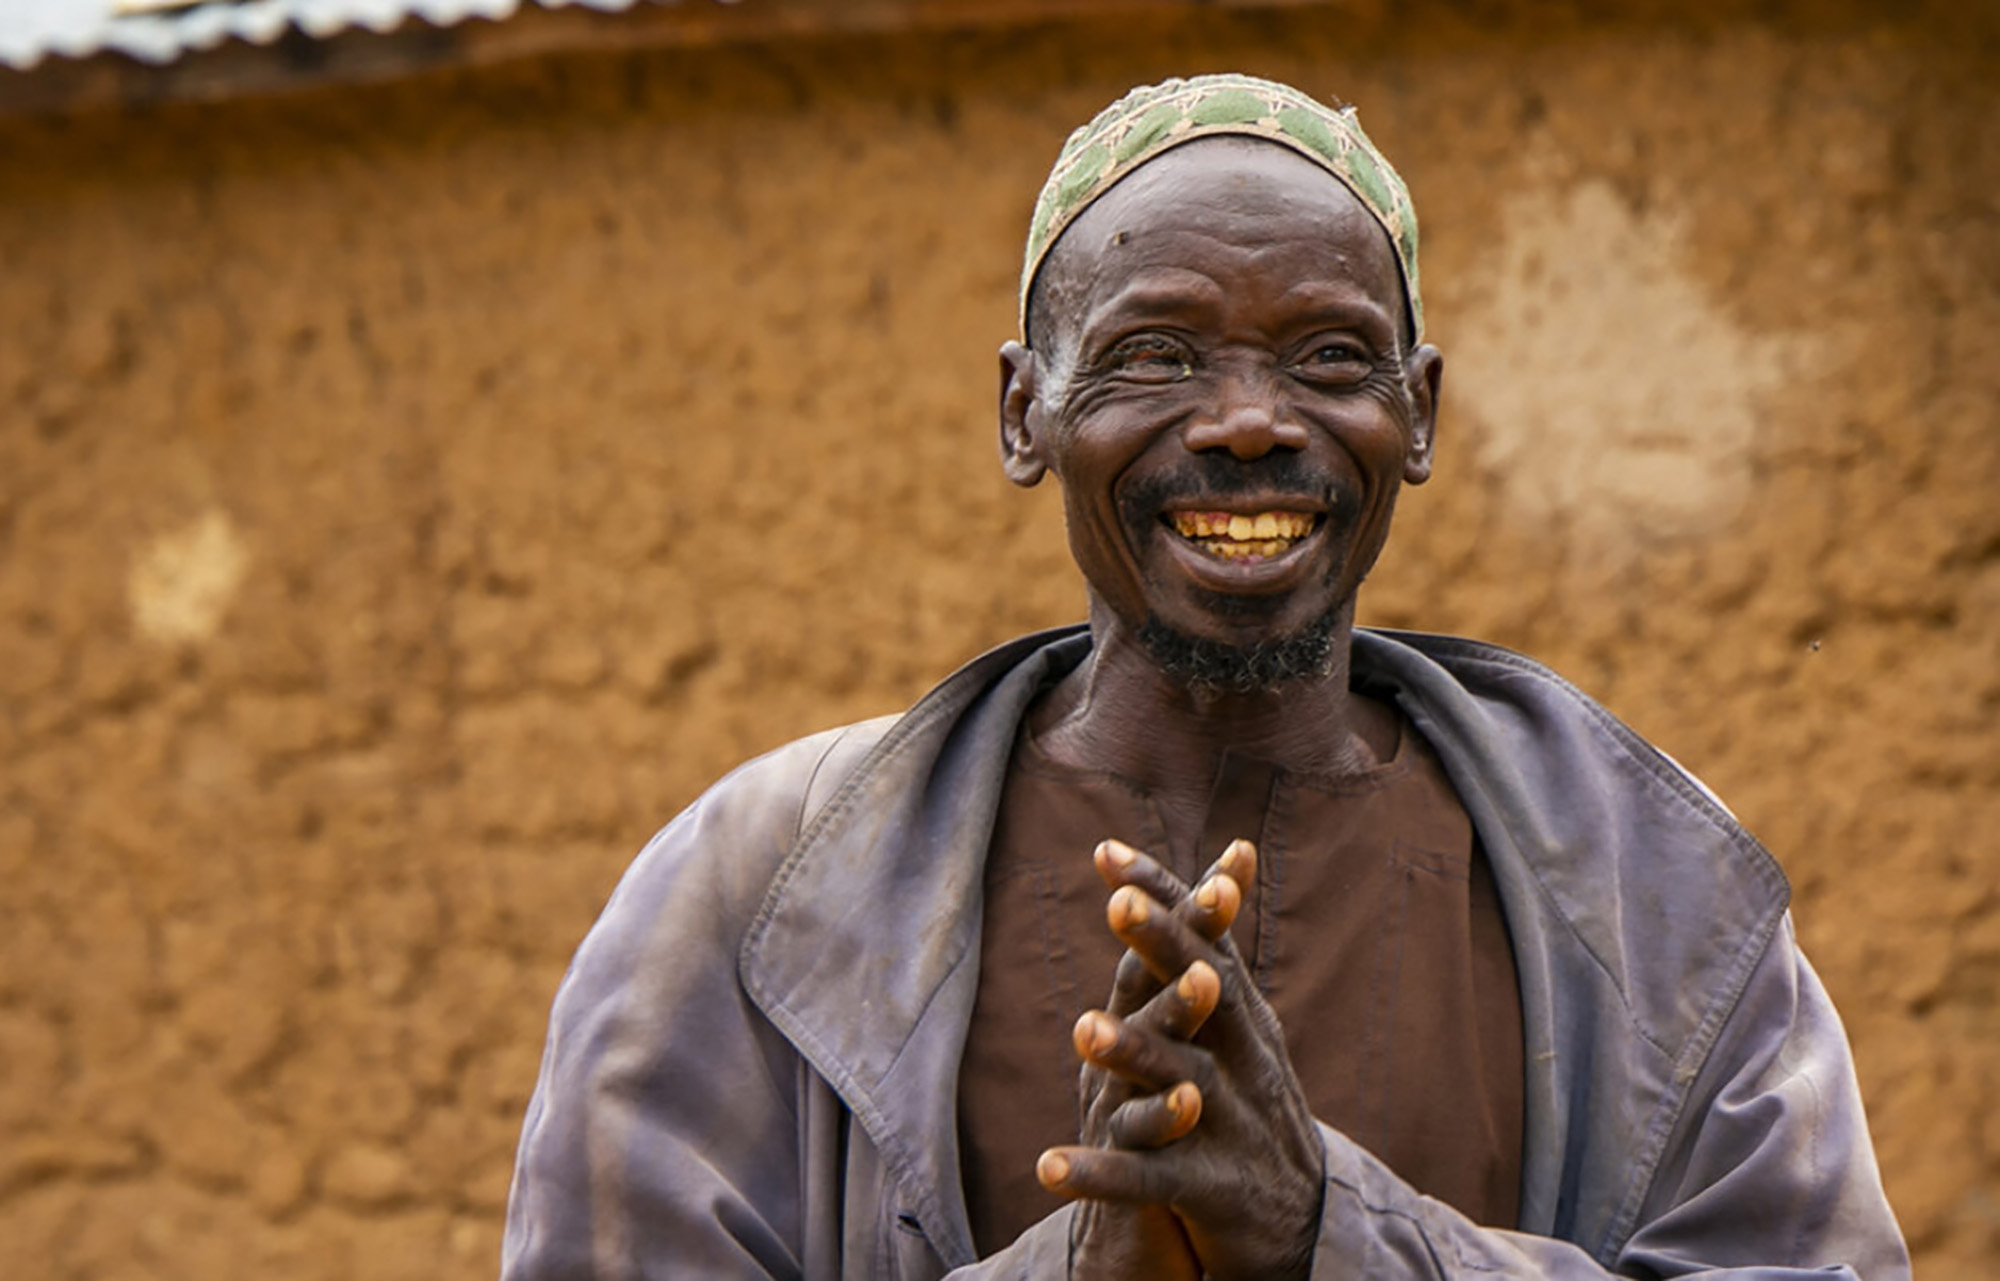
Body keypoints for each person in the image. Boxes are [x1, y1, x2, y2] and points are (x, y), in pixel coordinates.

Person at [499, 74, 1910, 1279]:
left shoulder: (1651, 895)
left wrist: (1329, 1231)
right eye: (1154, 355)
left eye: (1330, 356)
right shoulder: (753, 893)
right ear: (1024, 414)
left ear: (1418, 413)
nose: (1248, 422)